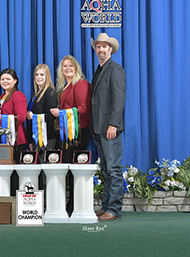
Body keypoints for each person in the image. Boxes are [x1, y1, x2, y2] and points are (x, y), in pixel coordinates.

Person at [90, 33, 126, 221]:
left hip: (109, 128)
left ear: (110, 49)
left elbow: (118, 100)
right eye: (98, 47)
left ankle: (114, 209)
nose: (101, 50)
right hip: (99, 128)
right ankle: (106, 207)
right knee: (106, 169)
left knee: (113, 169)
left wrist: (113, 124)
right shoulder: (99, 70)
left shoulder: (115, 69)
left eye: (104, 47)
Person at [50, 55, 92, 216]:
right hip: (66, 133)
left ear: (76, 68)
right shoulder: (64, 86)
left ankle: (75, 204)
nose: (67, 68)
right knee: (68, 169)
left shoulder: (81, 84)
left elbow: (83, 109)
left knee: (75, 169)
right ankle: (70, 203)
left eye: (71, 66)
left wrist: (60, 113)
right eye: (64, 66)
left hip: (78, 132)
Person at [0, 68, 28, 196]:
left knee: (14, 174)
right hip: (4, 141)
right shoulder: (3, 96)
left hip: (16, 140)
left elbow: (22, 117)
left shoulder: (18, 95)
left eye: (8, 79)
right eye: (2, 79)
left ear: (15, 81)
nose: (5, 81)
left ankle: (15, 199)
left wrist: (1, 117)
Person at [27, 64, 57, 155]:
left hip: (46, 138)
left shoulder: (50, 93)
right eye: (37, 74)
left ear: (47, 76)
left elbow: (51, 116)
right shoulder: (35, 95)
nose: (38, 77)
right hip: (35, 137)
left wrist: (34, 116)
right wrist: (30, 140)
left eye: (42, 75)